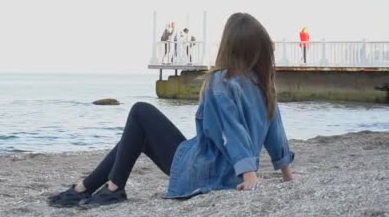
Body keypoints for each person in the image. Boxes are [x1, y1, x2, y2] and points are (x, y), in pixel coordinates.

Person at [48, 13, 295, 208]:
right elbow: (276, 133)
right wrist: (286, 173)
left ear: (228, 46)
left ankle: (109, 188)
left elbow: (231, 131)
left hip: (208, 172)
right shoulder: (264, 86)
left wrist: (249, 174)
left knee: (140, 111)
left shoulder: (221, 82)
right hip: (227, 171)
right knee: (138, 134)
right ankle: (90, 187)